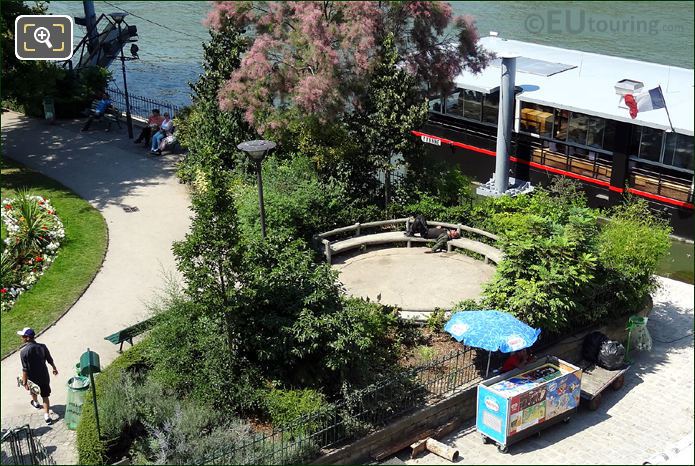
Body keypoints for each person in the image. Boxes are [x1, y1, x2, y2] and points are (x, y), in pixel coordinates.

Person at [18, 328, 58, 424]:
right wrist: (54, 368)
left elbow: (25, 369)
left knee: (34, 390)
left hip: (32, 378)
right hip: (44, 376)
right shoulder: (42, 347)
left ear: (27, 338)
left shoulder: (23, 352)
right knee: (45, 396)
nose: (21, 338)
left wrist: (24, 382)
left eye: (23, 336)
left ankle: (35, 403)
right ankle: (47, 416)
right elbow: (49, 359)